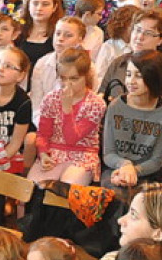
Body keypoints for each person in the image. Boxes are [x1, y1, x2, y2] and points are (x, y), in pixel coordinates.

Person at [28, 48, 107, 185]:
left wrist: (67, 109)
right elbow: (43, 133)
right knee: (31, 190)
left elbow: (71, 138)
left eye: (74, 79)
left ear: (86, 76)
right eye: (63, 78)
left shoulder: (96, 104)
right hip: (54, 151)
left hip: (82, 154)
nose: (67, 84)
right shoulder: (51, 98)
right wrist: (44, 153)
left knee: (66, 189)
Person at [100, 51, 162, 189]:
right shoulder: (116, 106)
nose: (131, 81)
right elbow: (109, 153)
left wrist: (133, 171)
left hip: (148, 173)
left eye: (139, 76)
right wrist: (125, 166)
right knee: (115, 193)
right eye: (129, 74)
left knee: (141, 198)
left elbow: (157, 160)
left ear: (153, 77)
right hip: (116, 168)